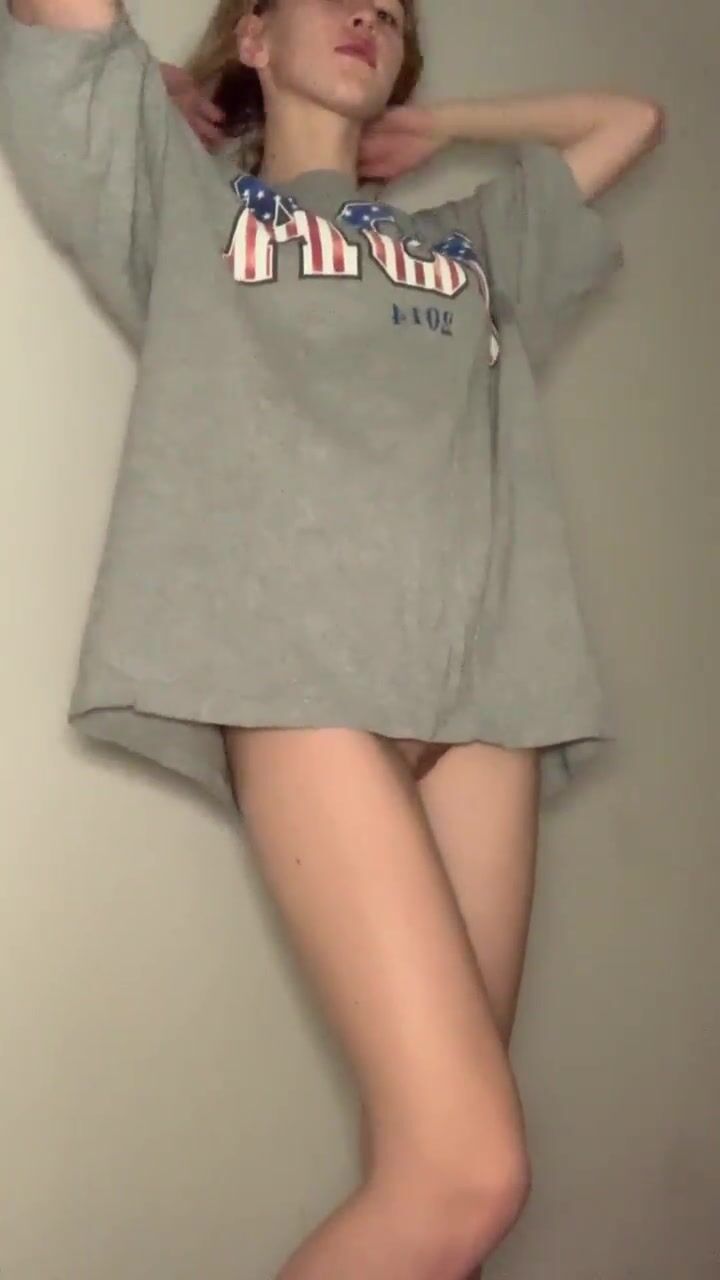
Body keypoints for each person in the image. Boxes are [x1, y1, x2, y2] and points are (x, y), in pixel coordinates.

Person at [0, 2, 664, 1276]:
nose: (371, 12)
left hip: (489, 693)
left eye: (395, 15)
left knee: (442, 1197)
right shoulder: (191, 208)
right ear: (254, 36)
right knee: (469, 1172)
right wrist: (164, 83)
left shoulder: (468, 242)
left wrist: (444, 123)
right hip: (299, 675)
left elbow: (631, 120)